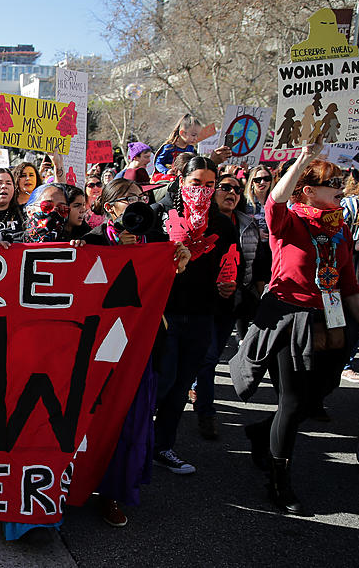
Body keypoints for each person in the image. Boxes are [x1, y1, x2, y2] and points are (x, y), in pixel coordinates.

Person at [231, 135, 359, 513]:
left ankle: (262, 435)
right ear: (308, 191)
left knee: (316, 396)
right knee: (292, 402)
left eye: (342, 183)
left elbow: (351, 286)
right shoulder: (288, 222)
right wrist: (303, 157)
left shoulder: (338, 230)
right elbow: (274, 200)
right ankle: (278, 481)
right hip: (290, 319)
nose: (342, 190)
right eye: (333, 185)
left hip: (332, 320)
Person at [82, 179, 190, 527]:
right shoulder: (91, 242)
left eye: (138, 198)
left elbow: (172, 291)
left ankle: (114, 492)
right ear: (107, 207)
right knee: (89, 420)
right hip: (92, 353)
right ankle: (75, 485)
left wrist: (181, 259)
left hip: (139, 350)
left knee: (129, 422)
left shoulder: (158, 245)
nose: (132, 203)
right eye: (123, 199)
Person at [150, 156, 238, 475]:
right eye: (195, 183)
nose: (202, 190)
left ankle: (163, 447)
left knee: (181, 386)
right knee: (163, 381)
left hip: (202, 315)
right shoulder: (160, 214)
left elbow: (228, 266)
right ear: (181, 182)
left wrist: (227, 285)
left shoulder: (223, 225)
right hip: (165, 314)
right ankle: (136, 443)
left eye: (209, 184)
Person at [192, 174, 269, 440]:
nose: (231, 193)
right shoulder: (201, 221)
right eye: (224, 187)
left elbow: (257, 262)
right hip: (202, 300)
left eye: (236, 189)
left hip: (232, 300)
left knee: (208, 356)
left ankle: (197, 388)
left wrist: (254, 293)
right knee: (210, 357)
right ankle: (206, 412)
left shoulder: (247, 223)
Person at [341, 174, 359, 385]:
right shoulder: (352, 205)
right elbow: (331, 235)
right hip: (357, 276)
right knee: (352, 325)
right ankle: (345, 365)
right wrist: (354, 243)